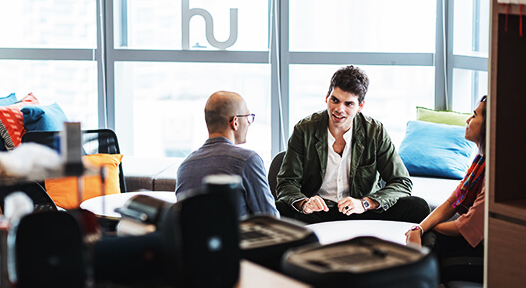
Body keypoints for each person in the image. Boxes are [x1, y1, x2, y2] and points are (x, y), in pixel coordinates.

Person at [275, 65, 430, 224]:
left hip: (361, 210)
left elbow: (401, 182)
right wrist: (304, 203)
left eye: (348, 104)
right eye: (335, 100)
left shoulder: (375, 131)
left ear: (360, 107)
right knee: (277, 209)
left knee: (418, 207)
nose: (339, 109)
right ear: (327, 97)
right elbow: (286, 182)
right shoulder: (304, 129)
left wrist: (366, 203)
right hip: (318, 212)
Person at [405, 96, 487, 283]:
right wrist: (418, 228)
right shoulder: (480, 161)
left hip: (492, 252)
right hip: (475, 240)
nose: (467, 120)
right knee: (428, 242)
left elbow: (465, 226)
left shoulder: (495, 172)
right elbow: (452, 202)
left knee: (430, 254)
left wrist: (421, 230)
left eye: (474, 115)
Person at [176, 91, 280, 219]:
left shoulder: (185, 166)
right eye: (248, 118)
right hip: (240, 238)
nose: (248, 123)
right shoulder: (247, 160)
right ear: (235, 122)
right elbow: (270, 218)